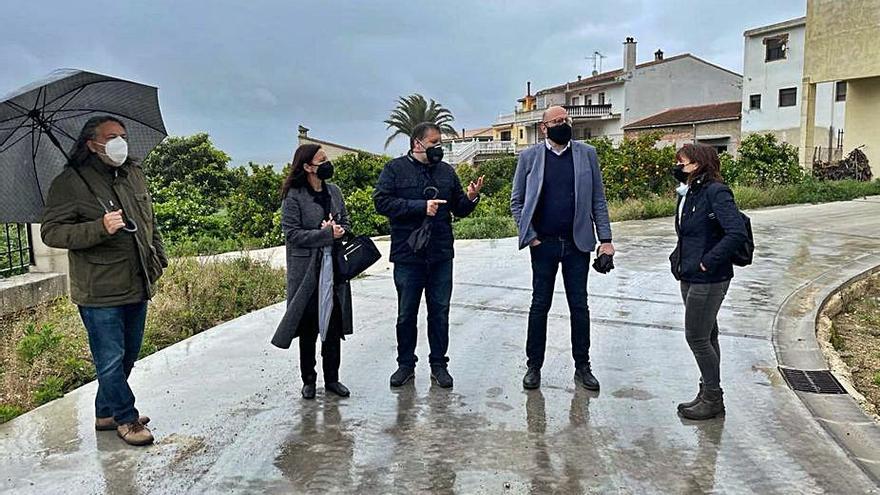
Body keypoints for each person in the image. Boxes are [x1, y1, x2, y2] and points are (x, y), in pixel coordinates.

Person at [41, 116, 167, 446]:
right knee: (109, 358)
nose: (120, 142)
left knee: (127, 355)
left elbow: (149, 221)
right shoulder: (69, 183)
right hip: (99, 288)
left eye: (122, 136)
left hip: (137, 281)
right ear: (91, 144)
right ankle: (126, 418)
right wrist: (100, 227)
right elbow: (52, 232)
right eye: (111, 137)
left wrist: (159, 256)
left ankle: (105, 413)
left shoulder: (133, 174)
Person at [510, 105, 614, 391]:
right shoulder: (530, 156)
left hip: (577, 244)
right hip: (542, 244)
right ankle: (534, 366)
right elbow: (517, 201)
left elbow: (598, 201)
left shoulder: (586, 154)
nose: (563, 124)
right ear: (544, 127)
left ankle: (583, 366)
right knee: (539, 305)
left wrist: (605, 240)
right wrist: (530, 235)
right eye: (556, 121)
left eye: (566, 119)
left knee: (579, 306)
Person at [373, 122, 483, 389]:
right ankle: (405, 365)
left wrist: (471, 198)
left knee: (440, 312)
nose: (439, 148)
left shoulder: (446, 172)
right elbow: (381, 202)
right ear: (417, 144)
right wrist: (420, 207)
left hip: (441, 254)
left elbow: (459, 207)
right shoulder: (394, 170)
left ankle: (439, 365)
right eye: (434, 143)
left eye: (440, 143)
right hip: (408, 256)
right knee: (406, 314)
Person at [670, 143, 747, 420]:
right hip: (689, 274)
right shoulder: (690, 192)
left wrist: (708, 261)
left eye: (684, 163)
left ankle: (713, 398)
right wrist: (677, 257)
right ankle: (707, 392)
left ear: (700, 164)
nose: (678, 167)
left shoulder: (716, 192)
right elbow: (689, 234)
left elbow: (736, 232)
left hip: (709, 277)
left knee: (697, 337)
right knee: (708, 335)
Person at [272, 144, 353, 400]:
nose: (327, 164)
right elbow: (292, 235)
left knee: (333, 325)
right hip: (306, 271)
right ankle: (308, 380)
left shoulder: (335, 192)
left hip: (334, 270)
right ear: (307, 167)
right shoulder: (293, 196)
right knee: (308, 327)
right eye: (321, 160)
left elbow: (347, 222)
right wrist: (325, 234)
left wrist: (339, 230)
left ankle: (333, 379)